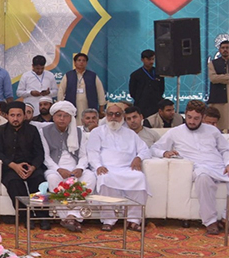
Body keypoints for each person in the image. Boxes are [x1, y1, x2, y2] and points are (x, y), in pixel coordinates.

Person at [152, 100, 229, 235]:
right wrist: (164, 153)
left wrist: (228, 163)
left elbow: (225, 149)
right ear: (185, 115)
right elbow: (154, 148)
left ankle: (225, 218)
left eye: (196, 118)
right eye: (189, 117)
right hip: (199, 168)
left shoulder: (213, 131)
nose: (192, 121)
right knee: (203, 178)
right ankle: (210, 222)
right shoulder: (175, 132)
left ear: (203, 117)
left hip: (218, 166)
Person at [85, 103, 149, 232]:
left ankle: (133, 220)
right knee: (104, 178)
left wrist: (138, 158)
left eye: (117, 114)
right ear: (106, 116)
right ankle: (108, 220)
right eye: (110, 114)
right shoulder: (97, 132)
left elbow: (145, 150)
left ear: (123, 117)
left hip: (127, 169)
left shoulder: (130, 134)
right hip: (106, 168)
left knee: (139, 177)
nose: (114, 117)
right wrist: (98, 166)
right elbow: (92, 152)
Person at [41, 101, 95, 232]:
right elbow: (46, 157)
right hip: (55, 167)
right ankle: (65, 217)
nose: (62, 119)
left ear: (71, 118)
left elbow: (83, 154)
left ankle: (73, 216)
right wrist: (58, 169)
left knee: (90, 177)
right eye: (59, 115)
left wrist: (81, 168)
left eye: (66, 116)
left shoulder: (79, 132)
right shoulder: (44, 131)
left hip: (75, 167)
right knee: (53, 179)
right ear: (53, 116)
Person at [0, 102, 48, 227]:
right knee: (14, 183)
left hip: (31, 167)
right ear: (7, 116)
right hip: (10, 167)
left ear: (24, 116)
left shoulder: (32, 130)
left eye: (19, 115)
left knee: (39, 182)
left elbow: (40, 153)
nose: (15, 118)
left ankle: (43, 217)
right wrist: (13, 166)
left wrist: (32, 167)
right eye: (12, 115)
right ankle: (26, 217)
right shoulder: (0, 130)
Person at [58, 53, 106, 125]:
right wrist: (61, 106)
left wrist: (101, 108)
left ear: (86, 63)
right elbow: (61, 91)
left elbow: (100, 91)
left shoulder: (92, 76)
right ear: (74, 63)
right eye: (79, 60)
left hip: (88, 106)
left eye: (83, 60)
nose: (81, 62)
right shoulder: (68, 75)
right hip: (73, 106)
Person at [128, 49, 164, 119]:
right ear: (142, 59)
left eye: (153, 59)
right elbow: (132, 92)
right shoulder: (135, 75)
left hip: (156, 105)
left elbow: (162, 89)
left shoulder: (159, 73)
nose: (151, 62)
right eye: (148, 59)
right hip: (141, 106)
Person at [208, 34, 229, 132]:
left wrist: (222, 77)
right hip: (219, 98)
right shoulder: (213, 63)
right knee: (218, 126)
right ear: (219, 50)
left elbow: (218, 78)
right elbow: (213, 78)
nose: (225, 50)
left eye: (227, 48)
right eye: (223, 48)